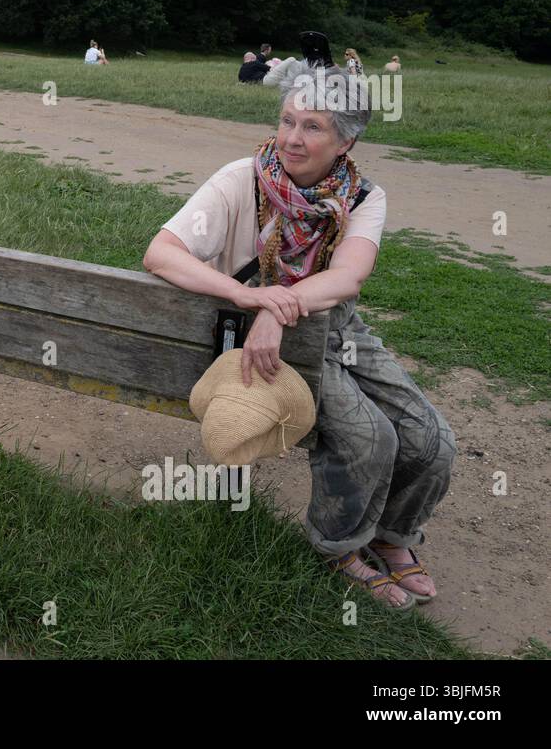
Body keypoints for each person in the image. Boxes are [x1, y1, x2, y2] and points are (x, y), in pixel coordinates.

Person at [143, 58, 454, 612]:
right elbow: (160, 253)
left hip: (333, 328)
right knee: (370, 439)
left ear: (345, 142)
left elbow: (349, 275)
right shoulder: (242, 178)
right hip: (258, 338)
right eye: (287, 120)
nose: (290, 137)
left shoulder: (362, 197)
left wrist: (278, 309)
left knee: (432, 439)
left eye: (311, 127)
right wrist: (250, 297)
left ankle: (393, 536)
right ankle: (338, 548)